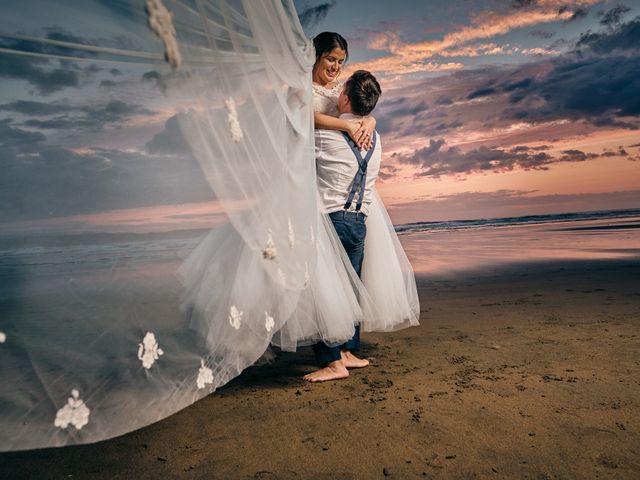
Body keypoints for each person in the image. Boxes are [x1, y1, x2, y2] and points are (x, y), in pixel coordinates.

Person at [304, 70, 383, 382]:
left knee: (325, 290)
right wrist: (368, 122)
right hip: (361, 221)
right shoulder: (376, 139)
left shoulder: (324, 137)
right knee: (351, 286)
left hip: (332, 220)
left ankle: (332, 361)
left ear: (345, 99)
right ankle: (350, 351)